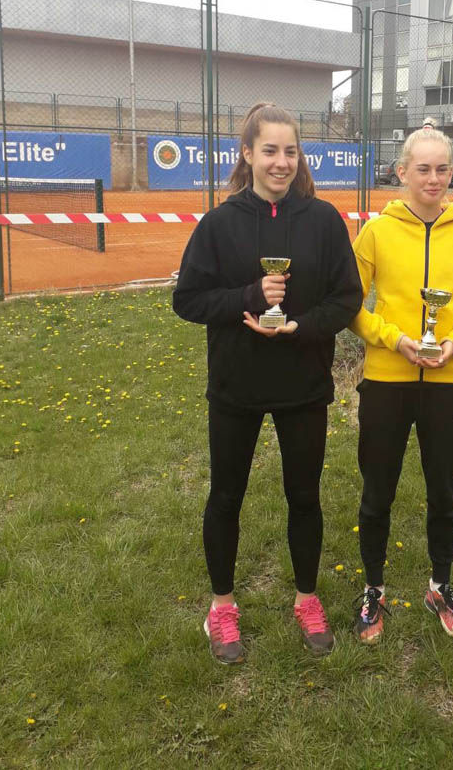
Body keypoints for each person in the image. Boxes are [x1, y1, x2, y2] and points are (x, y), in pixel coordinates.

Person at [173, 102, 362, 664]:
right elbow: (187, 299)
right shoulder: (219, 223)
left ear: (299, 157)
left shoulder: (324, 220)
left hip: (303, 383)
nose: (281, 162)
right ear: (248, 155)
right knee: (226, 496)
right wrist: (248, 298)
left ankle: (307, 599)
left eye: (290, 151)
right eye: (270, 150)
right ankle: (222, 606)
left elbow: (347, 298)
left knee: (304, 496)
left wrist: (302, 326)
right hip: (236, 384)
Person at [349, 126, 453, 642]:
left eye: (442, 169)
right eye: (423, 169)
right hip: (387, 379)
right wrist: (393, 339)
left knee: (445, 491)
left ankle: (440, 585)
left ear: (451, 172)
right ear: (402, 172)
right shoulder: (376, 232)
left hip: (448, 382)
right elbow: (350, 304)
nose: (433, 179)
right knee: (377, 490)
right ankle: (374, 589)